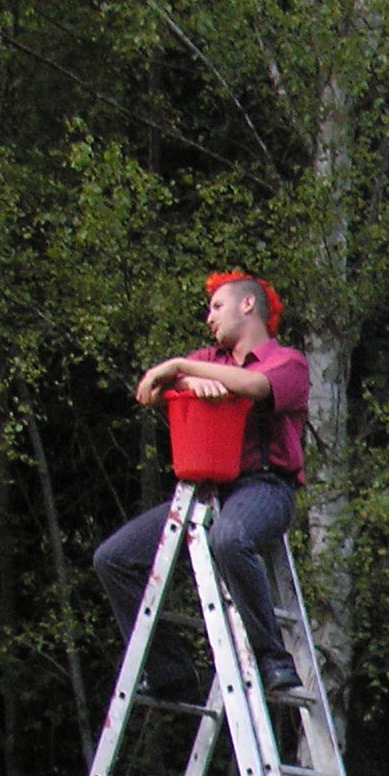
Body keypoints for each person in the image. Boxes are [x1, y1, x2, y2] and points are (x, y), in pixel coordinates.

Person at [93, 272, 311, 701]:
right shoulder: (211, 358)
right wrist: (189, 383)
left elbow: (255, 386)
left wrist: (181, 367)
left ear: (247, 305)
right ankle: (170, 671)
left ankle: (272, 658)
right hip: (207, 492)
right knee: (113, 559)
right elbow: (150, 390)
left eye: (216, 307)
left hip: (264, 488)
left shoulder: (288, 362)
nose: (209, 318)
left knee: (229, 539)